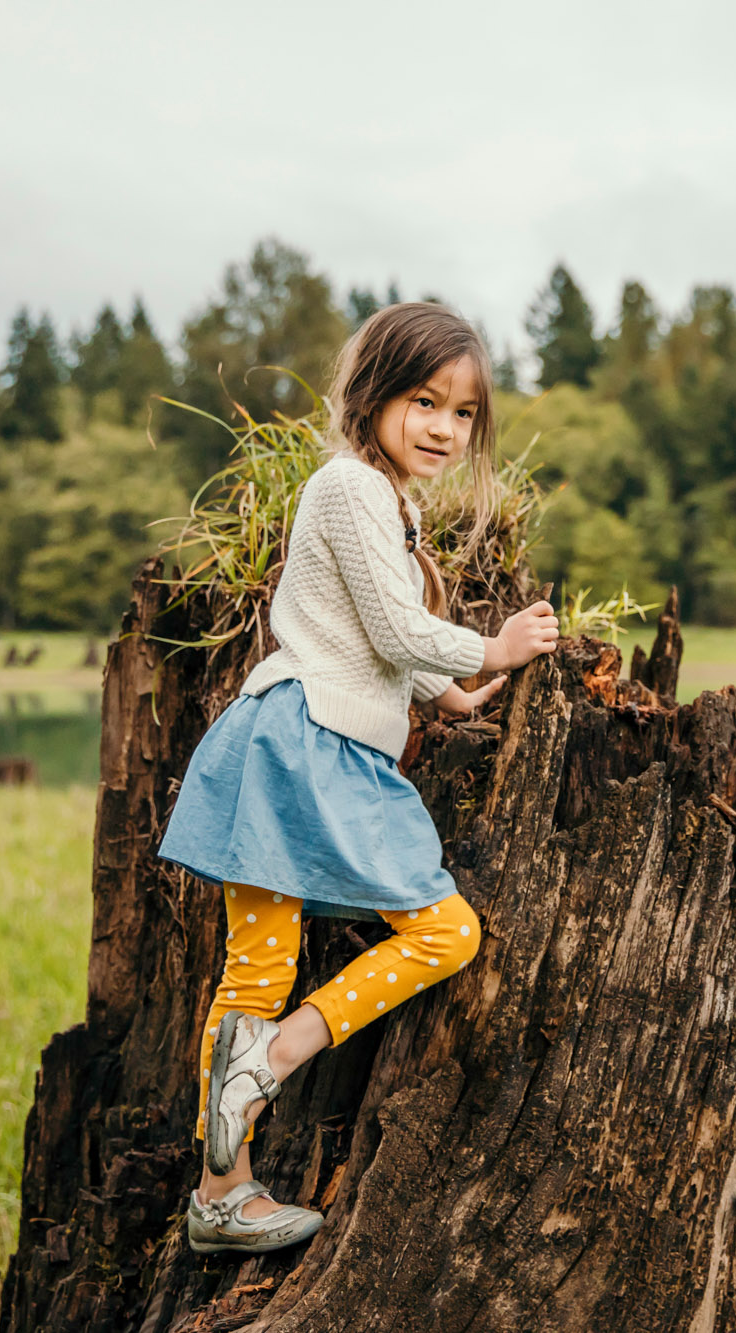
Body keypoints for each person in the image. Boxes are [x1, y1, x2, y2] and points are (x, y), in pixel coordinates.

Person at [155, 302, 560, 1254]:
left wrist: (455, 692)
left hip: (312, 738)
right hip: (304, 739)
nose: (445, 430)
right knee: (437, 931)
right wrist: (489, 644)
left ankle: (226, 1175)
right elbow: (387, 624)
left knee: (268, 965)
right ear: (372, 393)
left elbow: (379, 637)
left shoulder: (385, 503)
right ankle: (251, 1120)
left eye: (463, 414)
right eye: (425, 401)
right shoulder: (349, 487)